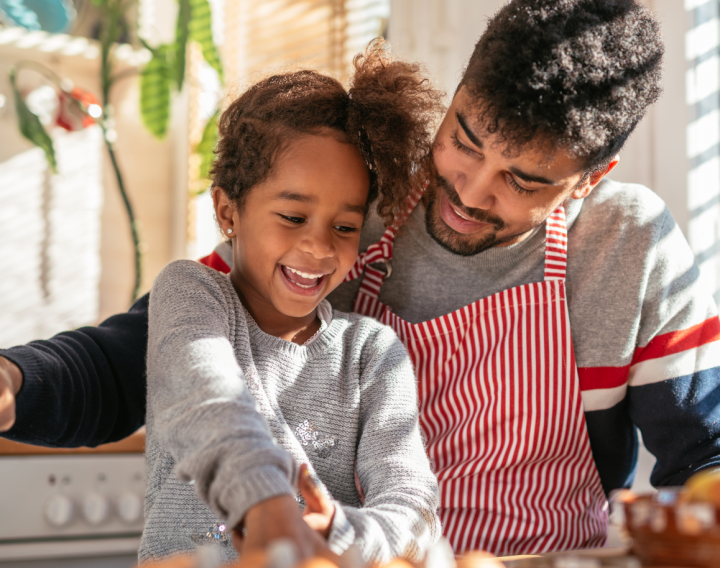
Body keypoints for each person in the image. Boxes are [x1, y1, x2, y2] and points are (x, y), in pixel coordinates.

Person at [2, 0, 720, 557]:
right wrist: (15, 381)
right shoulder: (348, 212)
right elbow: (143, 358)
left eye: (521, 181)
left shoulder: (628, 245)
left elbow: (706, 461)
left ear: (589, 181)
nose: (470, 191)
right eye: (463, 140)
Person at [140, 45, 441, 564]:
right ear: (227, 211)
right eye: (293, 217)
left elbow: (413, 505)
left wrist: (340, 531)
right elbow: (209, 400)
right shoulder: (190, 294)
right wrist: (268, 505)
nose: (320, 248)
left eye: (344, 227)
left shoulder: (371, 352)